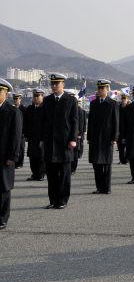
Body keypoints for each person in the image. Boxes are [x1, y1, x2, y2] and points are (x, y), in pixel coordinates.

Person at [40, 73, 78, 209]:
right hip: (50, 142)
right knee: (51, 173)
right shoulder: (48, 100)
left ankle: (62, 200)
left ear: (63, 85)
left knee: (64, 174)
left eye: (57, 83)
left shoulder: (70, 100)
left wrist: (73, 139)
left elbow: (74, 121)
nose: (54, 86)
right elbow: (43, 121)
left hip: (64, 143)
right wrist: (42, 139)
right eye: (52, 84)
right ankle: (53, 200)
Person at [87, 79, 119, 194]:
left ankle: (107, 188)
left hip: (107, 138)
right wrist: (89, 137)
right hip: (95, 138)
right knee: (96, 164)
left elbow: (116, 122)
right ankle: (99, 187)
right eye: (99, 88)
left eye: (103, 88)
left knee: (107, 164)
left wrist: (114, 138)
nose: (101, 90)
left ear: (107, 89)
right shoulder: (93, 103)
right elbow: (90, 122)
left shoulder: (113, 103)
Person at [0, 78, 22, 230]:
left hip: (4, 156)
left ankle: (2, 217)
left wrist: (12, 156)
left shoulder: (12, 112)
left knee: (3, 188)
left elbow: (16, 136)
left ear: (6, 93)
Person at [24, 88, 46, 181]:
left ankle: (40, 174)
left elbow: (47, 124)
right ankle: (34, 173)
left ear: (42, 97)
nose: (35, 98)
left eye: (37, 96)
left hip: (41, 137)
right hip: (32, 137)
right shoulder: (30, 108)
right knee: (32, 157)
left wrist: (44, 138)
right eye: (34, 96)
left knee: (41, 157)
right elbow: (26, 122)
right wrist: (26, 135)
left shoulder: (45, 109)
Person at [11, 93, 26, 168]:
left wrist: (25, 132)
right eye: (14, 99)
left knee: (21, 148)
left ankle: (20, 163)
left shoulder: (24, 109)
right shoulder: (12, 109)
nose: (15, 100)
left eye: (17, 99)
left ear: (20, 99)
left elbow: (26, 121)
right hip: (14, 132)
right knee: (14, 147)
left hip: (22, 132)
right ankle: (15, 163)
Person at [72, 100, 87, 174]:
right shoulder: (70, 108)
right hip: (70, 133)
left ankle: (73, 168)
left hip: (77, 133)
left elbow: (81, 122)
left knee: (75, 152)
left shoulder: (79, 110)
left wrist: (80, 134)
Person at [117, 94, 130, 164]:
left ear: (127, 100)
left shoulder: (129, 108)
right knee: (120, 147)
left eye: (125, 99)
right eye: (122, 99)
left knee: (127, 147)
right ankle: (122, 160)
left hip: (127, 130)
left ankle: (127, 159)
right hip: (120, 130)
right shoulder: (118, 108)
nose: (123, 100)